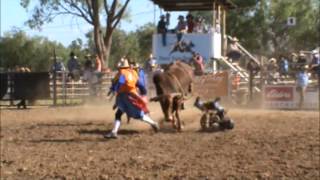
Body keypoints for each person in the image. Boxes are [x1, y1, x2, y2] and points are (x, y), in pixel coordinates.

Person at [105, 59, 159, 138]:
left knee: (137, 115)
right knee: (119, 113)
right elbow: (141, 86)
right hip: (132, 95)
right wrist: (143, 95)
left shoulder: (121, 73)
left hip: (124, 96)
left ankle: (154, 123)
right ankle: (114, 132)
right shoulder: (133, 73)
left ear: (121, 67)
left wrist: (114, 91)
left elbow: (120, 82)